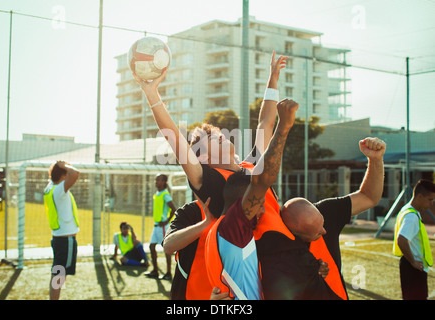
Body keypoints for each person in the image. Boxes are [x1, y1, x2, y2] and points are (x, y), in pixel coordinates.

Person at [157, 52, 290, 299]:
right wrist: (152, 94)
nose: (222, 135)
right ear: (204, 158)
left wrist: (273, 78)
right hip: (246, 272)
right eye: (213, 138)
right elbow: (175, 138)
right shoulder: (212, 181)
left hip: (275, 265)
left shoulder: (251, 166)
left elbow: (265, 124)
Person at [205, 97, 299, 300]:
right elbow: (261, 182)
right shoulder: (232, 229)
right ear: (243, 203)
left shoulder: (223, 234)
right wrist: (284, 127)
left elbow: (264, 123)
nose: (263, 210)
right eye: (259, 203)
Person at [273, 137, 386, 300]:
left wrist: (375, 160)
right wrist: (309, 276)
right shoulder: (276, 242)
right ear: (295, 233)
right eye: (317, 233)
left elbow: (369, 197)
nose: (324, 230)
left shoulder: (327, 211)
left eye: (322, 223)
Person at [393, 179, 435, 300]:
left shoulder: (407, 209)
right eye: (430, 199)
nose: (432, 203)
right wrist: (413, 262)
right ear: (420, 196)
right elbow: (401, 239)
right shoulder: (411, 216)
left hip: (409, 266)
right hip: (413, 268)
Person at [44, 161, 80, 300]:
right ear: (63, 174)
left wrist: (60, 167)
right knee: (59, 274)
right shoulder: (59, 189)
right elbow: (75, 173)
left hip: (59, 238)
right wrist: (64, 166)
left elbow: (71, 174)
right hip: (65, 240)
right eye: (66, 172)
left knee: (58, 272)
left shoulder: (50, 188)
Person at [145, 174, 176, 280]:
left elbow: (173, 209)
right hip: (156, 225)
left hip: (163, 226)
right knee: (151, 247)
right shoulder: (157, 194)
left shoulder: (165, 194)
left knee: (166, 249)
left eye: (159, 180)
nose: (156, 181)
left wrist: (167, 221)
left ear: (164, 182)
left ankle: (168, 273)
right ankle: (155, 271)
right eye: (156, 179)